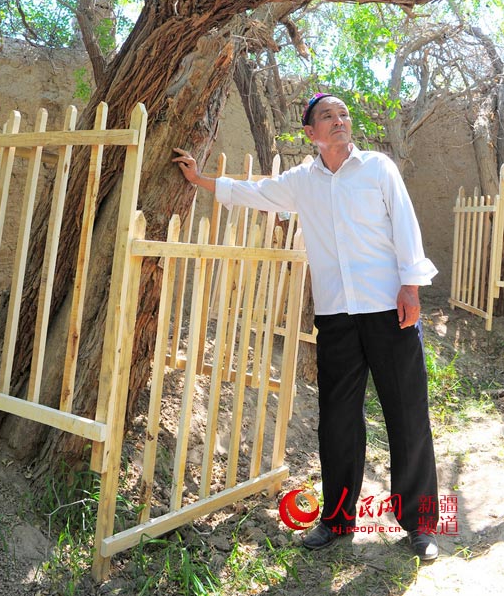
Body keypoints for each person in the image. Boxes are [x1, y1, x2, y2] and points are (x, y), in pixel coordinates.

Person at [173, 92, 439, 561]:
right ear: (311, 134)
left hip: (389, 310)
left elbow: (405, 225)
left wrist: (411, 287)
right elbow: (255, 194)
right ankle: (338, 521)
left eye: (343, 114)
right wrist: (201, 180)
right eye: (327, 116)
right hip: (336, 316)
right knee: (337, 421)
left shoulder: (378, 168)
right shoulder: (303, 181)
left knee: (407, 414)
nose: (339, 121)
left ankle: (419, 526)